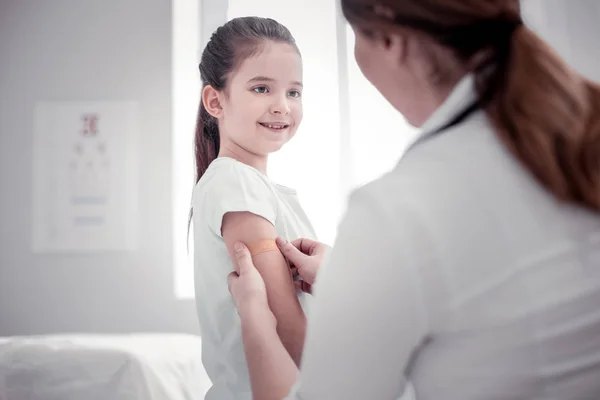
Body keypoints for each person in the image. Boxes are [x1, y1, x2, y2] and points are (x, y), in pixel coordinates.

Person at [226, 0, 600, 399]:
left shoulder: (395, 210)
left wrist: (254, 320)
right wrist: (359, 280)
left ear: (389, 38)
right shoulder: (577, 137)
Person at [191, 16, 318, 400]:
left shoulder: (249, 186)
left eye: (294, 92)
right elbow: (284, 321)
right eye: (262, 88)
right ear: (216, 101)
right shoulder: (235, 182)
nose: (282, 106)